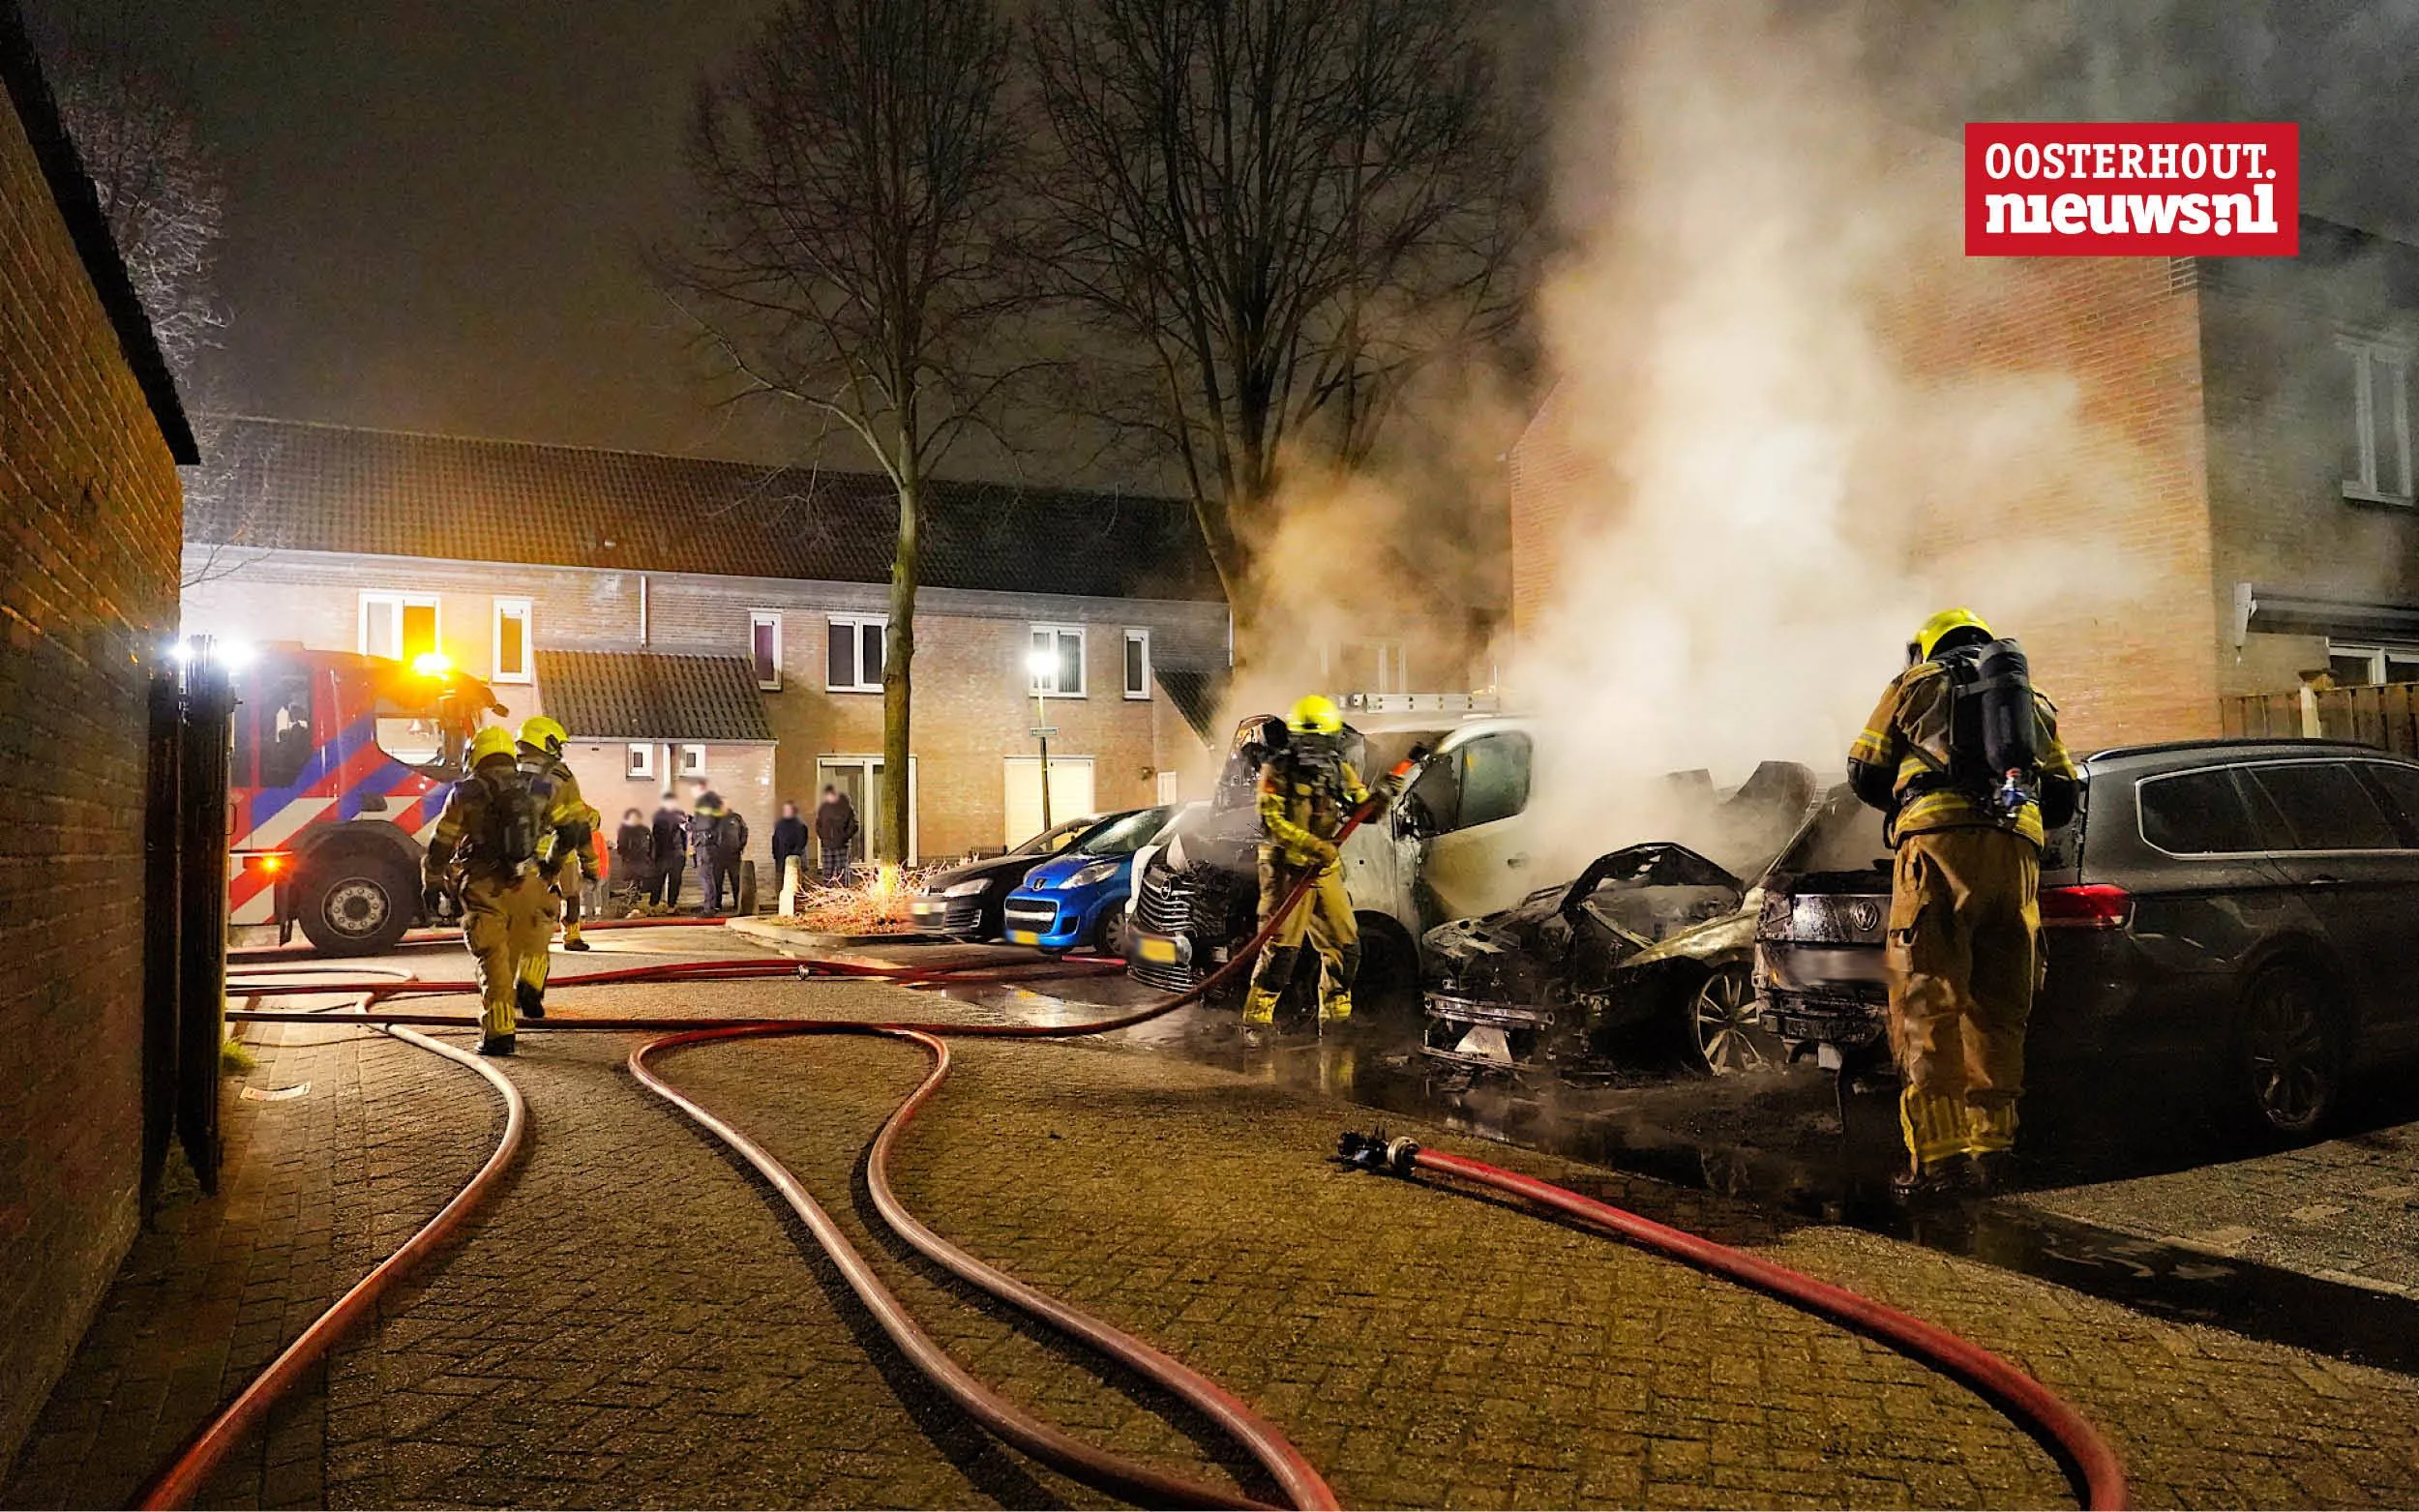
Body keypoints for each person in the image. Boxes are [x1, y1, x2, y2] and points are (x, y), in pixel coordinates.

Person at [1847, 608, 2077, 1198]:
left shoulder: (1916, 683)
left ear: (1928, 646)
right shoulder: (2033, 702)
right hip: (2017, 856)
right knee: (1999, 1007)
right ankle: (1993, 1155)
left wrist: (1917, 795)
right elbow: (2061, 798)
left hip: (1937, 850)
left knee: (1928, 998)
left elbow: (1864, 770)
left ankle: (1940, 1161)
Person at [1241, 695, 1400, 1048]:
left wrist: (1384, 795)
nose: (1314, 746)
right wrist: (1315, 846)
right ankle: (1257, 1021)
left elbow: (1366, 813)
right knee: (1281, 952)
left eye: (1321, 738)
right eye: (1307, 738)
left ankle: (1336, 1017)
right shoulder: (1276, 771)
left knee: (1346, 947)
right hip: (1285, 871)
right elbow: (1272, 823)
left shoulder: (1340, 771)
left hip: (1324, 871)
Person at [422, 726, 582, 1056]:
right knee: (534, 941)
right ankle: (532, 987)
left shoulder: (464, 793)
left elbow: (442, 843)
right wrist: (551, 868)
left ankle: (499, 1033)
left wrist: (432, 881)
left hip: (485, 887)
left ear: (474, 756)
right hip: (534, 882)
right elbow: (571, 831)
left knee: (494, 960)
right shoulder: (540, 788)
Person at [513, 717, 593, 1011]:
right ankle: (530, 988)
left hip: (504, 865)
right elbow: (576, 826)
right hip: (546, 864)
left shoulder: (501, 772)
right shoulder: (561, 776)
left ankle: (502, 996)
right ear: (545, 741)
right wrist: (591, 864)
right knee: (538, 927)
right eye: (556, 743)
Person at [691, 789, 731, 914]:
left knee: (706, 877)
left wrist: (688, 826)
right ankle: (710, 905)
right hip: (709, 847)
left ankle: (709, 908)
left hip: (705, 847)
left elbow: (702, 826)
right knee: (709, 877)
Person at [813, 785, 860, 884]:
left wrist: (844, 837)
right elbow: (818, 824)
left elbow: (854, 825)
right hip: (827, 846)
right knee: (827, 874)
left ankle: (844, 895)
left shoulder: (845, 807)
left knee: (842, 874)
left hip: (841, 845)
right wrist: (823, 837)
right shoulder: (823, 808)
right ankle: (828, 894)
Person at [648, 796, 688, 912]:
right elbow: (655, 837)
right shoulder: (659, 817)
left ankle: (670, 905)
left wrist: (684, 850)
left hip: (676, 854)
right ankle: (655, 905)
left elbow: (684, 834)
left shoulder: (679, 815)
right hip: (664, 854)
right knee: (659, 881)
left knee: (674, 881)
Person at [614, 807, 655, 913]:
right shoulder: (624, 830)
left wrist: (650, 858)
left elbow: (652, 845)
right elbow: (621, 847)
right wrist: (627, 857)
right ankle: (631, 906)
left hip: (644, 862)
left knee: (640, 885)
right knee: (632, 885)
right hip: (631, 863)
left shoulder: (645, 830)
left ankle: (636, 905)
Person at [771, 801, 809, 892]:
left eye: (788, 809)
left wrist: (795, 853)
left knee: (796, 881)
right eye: (785, 810)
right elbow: (775, 839)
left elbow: (802, 841)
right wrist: (775, 853)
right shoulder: (779, 824)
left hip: (794, 858)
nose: (786, 812)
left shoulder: (799, 825)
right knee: (780, 879)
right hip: (781, 857)